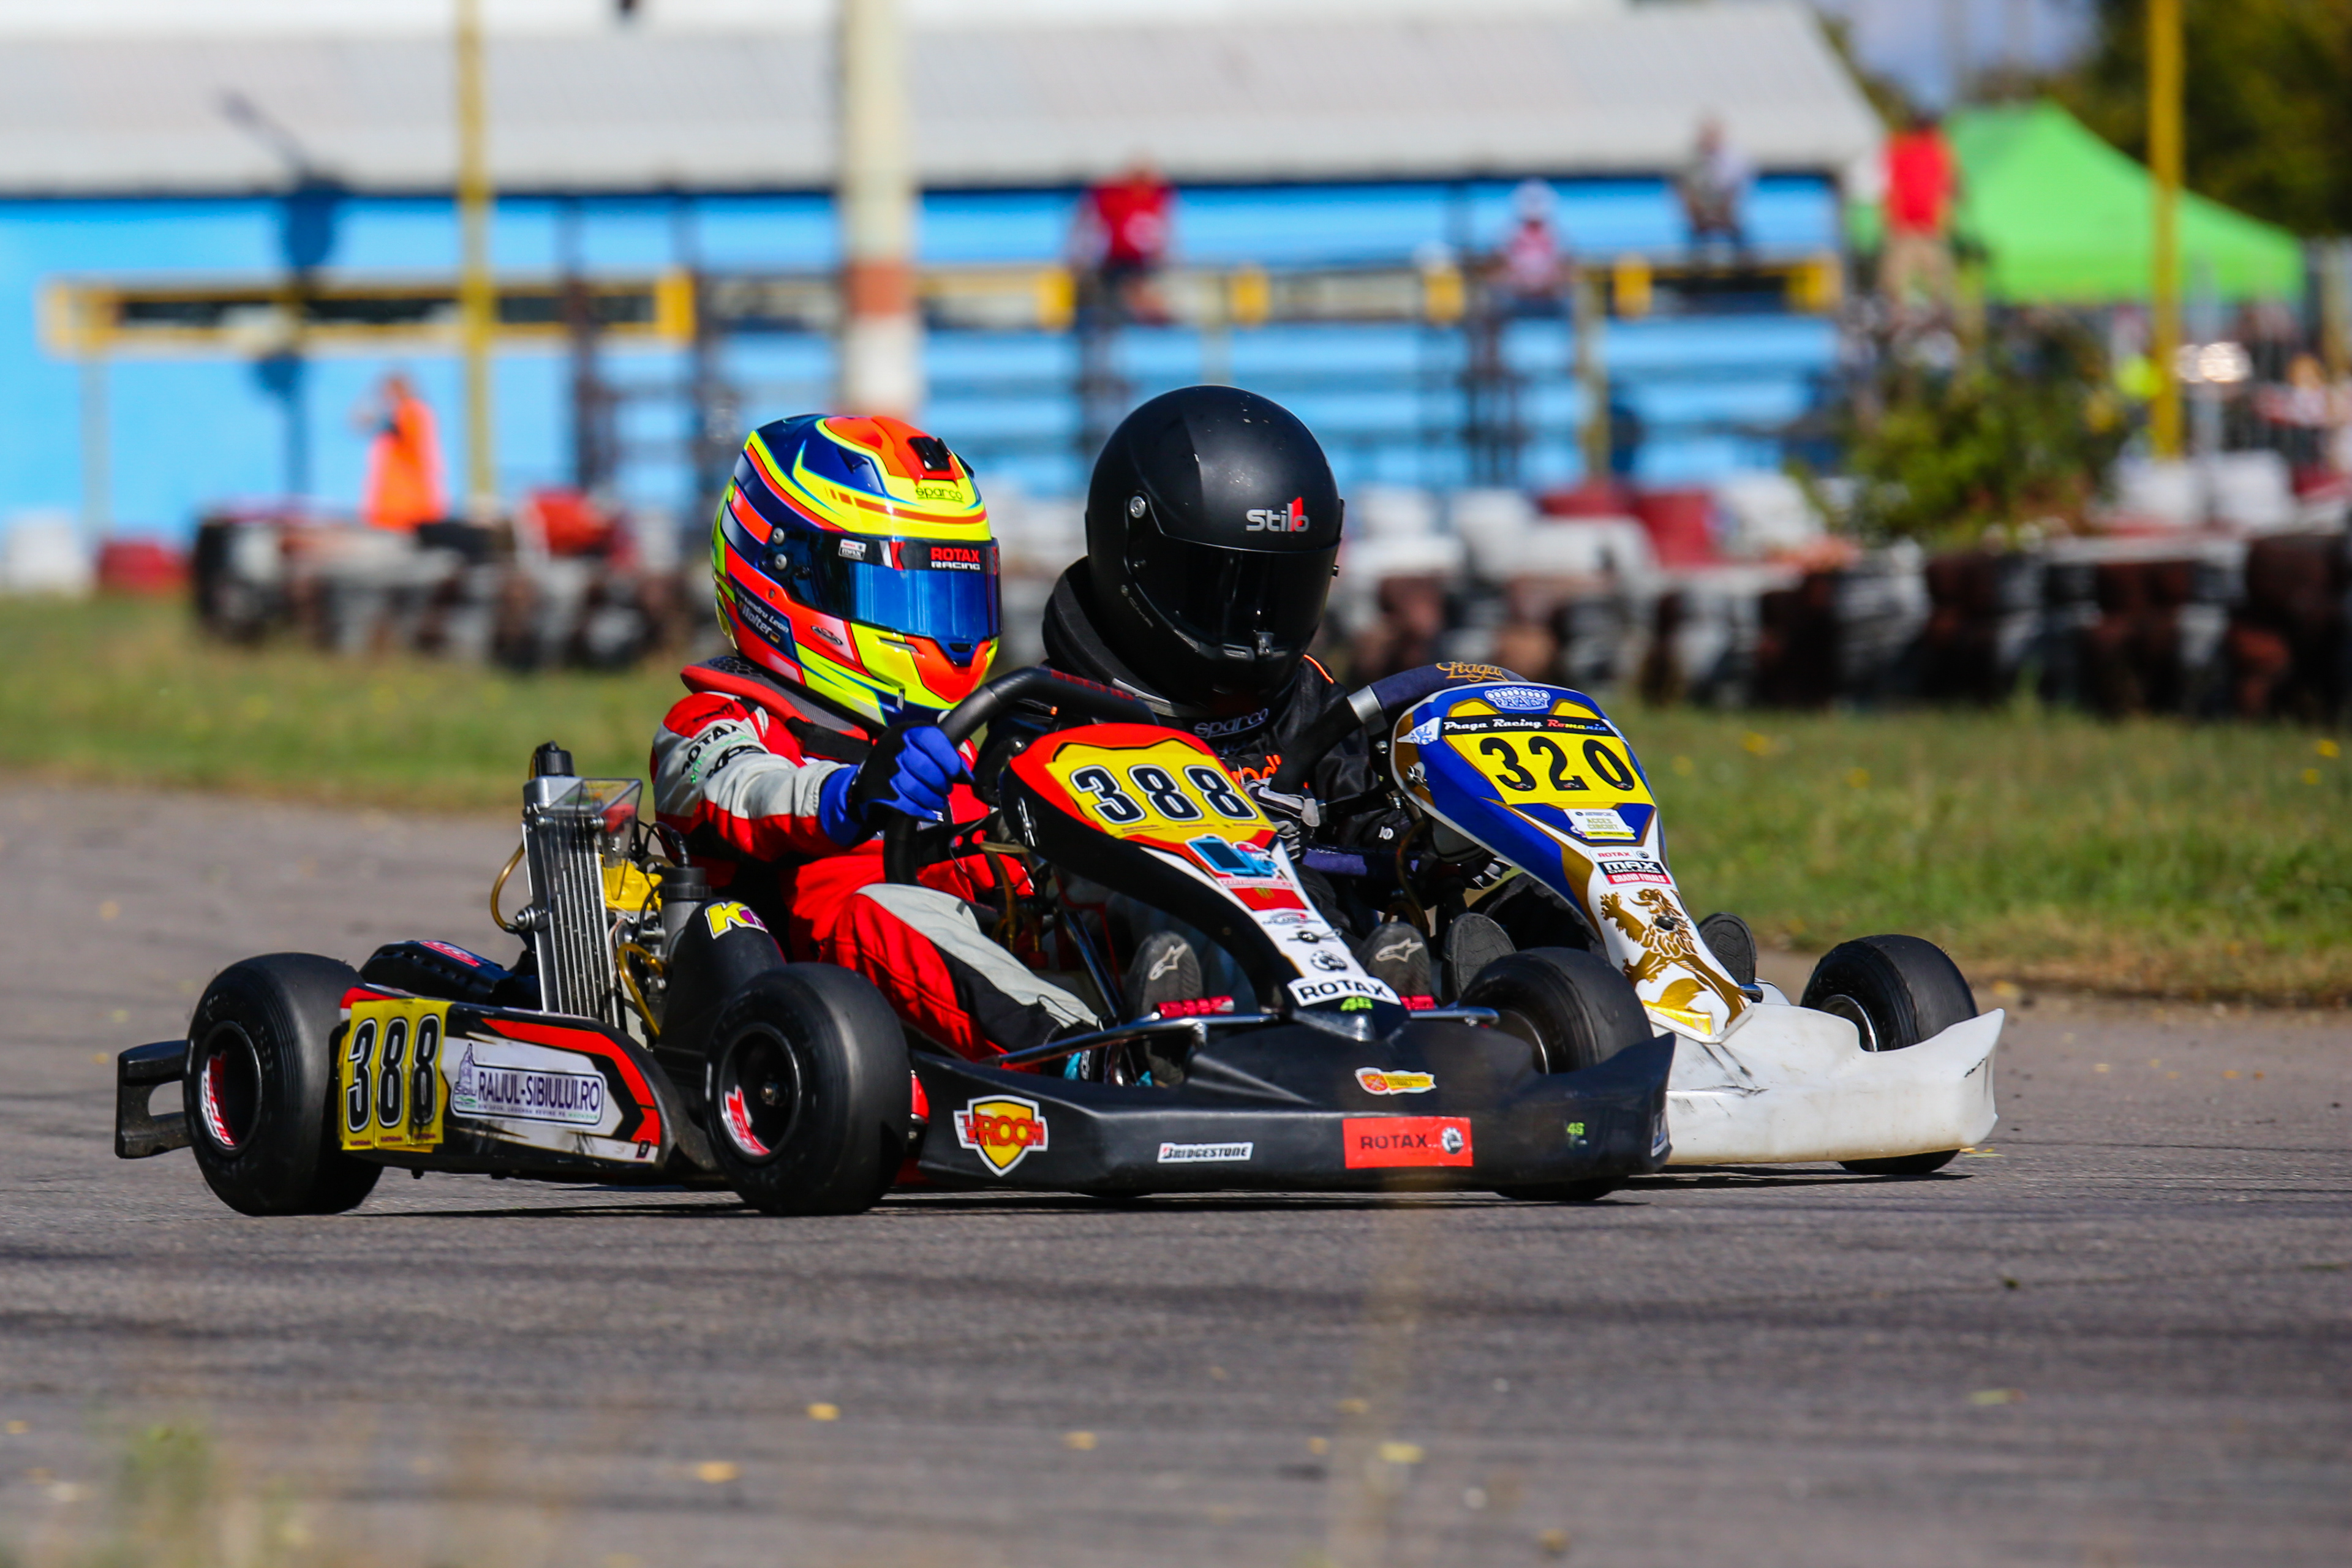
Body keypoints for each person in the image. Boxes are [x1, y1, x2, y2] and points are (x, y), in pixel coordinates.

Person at [652, 413, 1096, 1061]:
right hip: (828, 1004)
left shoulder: (954, 738)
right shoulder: (718, 718)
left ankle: (1216, 1019)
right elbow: (741, 790)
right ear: (790, 575)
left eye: (950, 594)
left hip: (977, 949)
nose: (936, 625)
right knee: (884, 912)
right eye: (903, 596)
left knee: (1105, 883)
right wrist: (850, 794)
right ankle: (1085, 1058)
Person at [1017, 385, 1445, 1003]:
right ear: (1135, 560)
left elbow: (1364, 818)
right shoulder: (1049, 712)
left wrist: (1418, 843)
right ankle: (1185, 1018)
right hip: (1143, 973)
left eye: (1280, 591)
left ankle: (1450, 983)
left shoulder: (1306, 699)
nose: (1259, 629)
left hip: (1334, 960)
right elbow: (1001, 861)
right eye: (1226, 593)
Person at [1880, 110, 1959, 318]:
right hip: (1907, 227)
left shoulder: (1934, 149)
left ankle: (1934, 318)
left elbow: (1948, 185)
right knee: (1900, 282)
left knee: (1935, 279)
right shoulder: (1904, 148)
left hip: (1926, 227)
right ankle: (1901, 317)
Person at [1074, 160, 1174, 324]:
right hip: (1116, 261)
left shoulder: (1157, 198)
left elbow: (1163, 227)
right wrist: (1084, 252)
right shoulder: (1113, 197)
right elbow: (1089, 222)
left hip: (1142, 262)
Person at [356, 371, 447, 530]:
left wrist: (372, 415)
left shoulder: (410, 411)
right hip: (398, 504)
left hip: (407, 504)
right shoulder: (407, 412)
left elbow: (397, 429)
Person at [1676, 116, 1752, 255]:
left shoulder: (1735, 161)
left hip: (1727, 215)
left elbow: (1735, 192)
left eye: (1712, 136)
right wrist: (1700, 214)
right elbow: (1686, 192)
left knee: (1743, 246)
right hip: (1699, 217)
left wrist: (1721, 213)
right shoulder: (1689, 162)